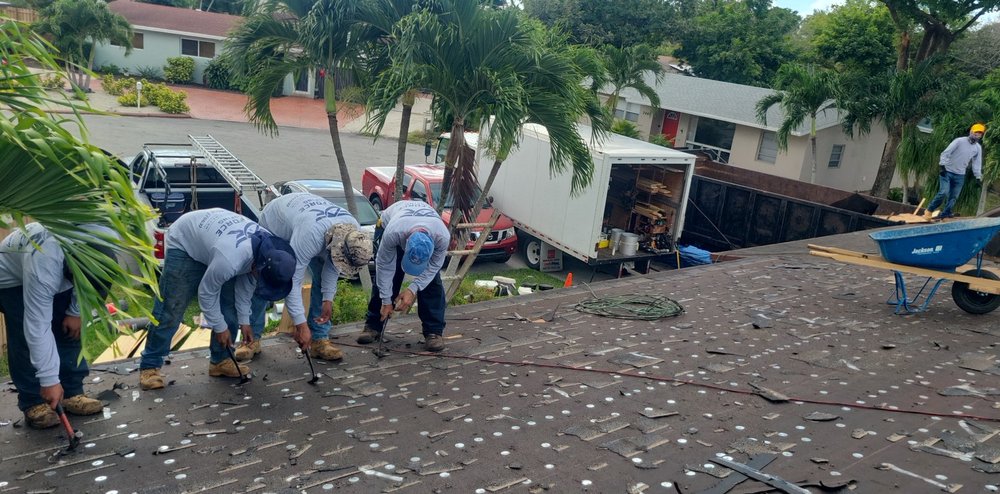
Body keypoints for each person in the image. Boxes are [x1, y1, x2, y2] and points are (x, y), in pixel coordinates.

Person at [138, 209, 295, 390]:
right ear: (257, 266)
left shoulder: (269, 253)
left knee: (229, 306)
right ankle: (150, 366)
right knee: (172, 306)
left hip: (216, 242)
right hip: (186, 242)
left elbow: (244, 290)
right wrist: (219, 327)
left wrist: (244, 322)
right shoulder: (232, 259)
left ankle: (220, 361)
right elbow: (207, 292)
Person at [0, 223, 112, 428]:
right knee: (25, 338)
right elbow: (37, 326)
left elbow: (89, 284)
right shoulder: (44, 264)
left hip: (61, 268)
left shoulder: (99, 242)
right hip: (12, 280)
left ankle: (72, 392)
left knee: (70, 330)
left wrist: (75, 312)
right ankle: (33, 400)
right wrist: (49, 380)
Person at [242, 192, 372, 361]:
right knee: (266, 278)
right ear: (335, 245)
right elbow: (292, 282)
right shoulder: (310, 236)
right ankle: (252, 339)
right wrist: (300, 324)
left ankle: (319, 340)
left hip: (306, 219)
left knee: (321, 279)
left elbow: (332, 267)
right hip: (275, 224)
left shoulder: (353, 230)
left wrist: (328, 300)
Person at [357, 200, 450, 352]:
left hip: (420, 223)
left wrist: (412, 289)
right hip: (388, 223)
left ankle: (433, 332)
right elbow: (384, 266)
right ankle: (373, 325)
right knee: (389, 277)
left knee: (432, 282)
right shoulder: (393, 233)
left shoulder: (442, 237)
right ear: (405, 244)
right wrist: (386, 301)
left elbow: (433, 267)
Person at [926, 123, 985, 219]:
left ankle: (946, 213)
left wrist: (978, 177)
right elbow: (946, 153)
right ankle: (929, 210)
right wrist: (942, 166)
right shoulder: (959, 141)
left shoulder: (977, 148)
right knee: (943, 192)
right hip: (947, 171)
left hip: (960, 175)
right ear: (971, 132)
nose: (977, 135)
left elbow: (977, 163)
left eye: (980, 134)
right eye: (976, 132)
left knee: (954, 196)